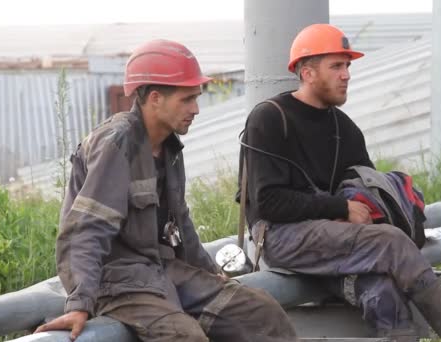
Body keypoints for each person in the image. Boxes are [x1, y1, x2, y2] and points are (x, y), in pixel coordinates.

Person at [35, 39, 297, 342]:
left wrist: (209, 271)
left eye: (196, 98)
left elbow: (180, 222)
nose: (196, 109)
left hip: (161, 269)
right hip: (118, 281)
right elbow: (85, 230)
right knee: (184, 336)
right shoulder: (116, 144)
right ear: (156, 98)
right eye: (187, 99)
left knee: (260, 312)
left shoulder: (169, 147)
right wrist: (80, 303)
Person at [239, 24, 441, 341]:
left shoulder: (346, 130)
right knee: (392, 242)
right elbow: (269, 204)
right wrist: (340, 207)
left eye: (348, 66)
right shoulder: (270, 118)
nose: (347, 75)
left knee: (382, 292)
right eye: (336, 66)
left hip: (333, 241)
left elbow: (364, 194)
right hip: (280, 237)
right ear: (308, 72)